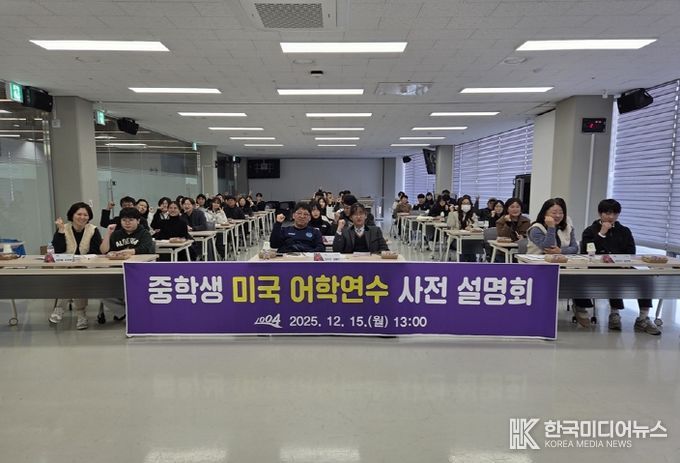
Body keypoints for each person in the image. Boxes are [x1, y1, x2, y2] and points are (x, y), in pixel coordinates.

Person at [572, 199, 660, 334]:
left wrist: (625, 263)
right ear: (600, 213)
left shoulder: (624, 231)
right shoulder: (590, 231)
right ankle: (615, 313)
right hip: (598, 269)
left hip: (622, 266)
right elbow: (587, 252)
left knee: (645, 279)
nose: (611, 217)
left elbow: (631, 251)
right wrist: (601, 233)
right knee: (614, 278)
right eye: (607, 213)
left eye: (615, 214)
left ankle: (643, 318)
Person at [49, 202, 103, 330]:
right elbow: (59, 250)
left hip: (86, 267)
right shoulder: (64, 228)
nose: (82, 217)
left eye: (85, 215)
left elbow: (96, 251)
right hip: (65, 267)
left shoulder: (93, 230)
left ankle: (60, 307)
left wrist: (81, 261)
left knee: (77, 275)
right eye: (79, 214)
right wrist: (61, 231)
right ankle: (81, 313)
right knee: (74, 277)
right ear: (72, 215)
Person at [100, 207, 154, 321]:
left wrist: (128, 251)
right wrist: (108, 233)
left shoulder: (144, 233)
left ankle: (133, 314)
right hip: (117, 269)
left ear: (138, 221)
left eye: (131, 220)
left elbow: (147, 248)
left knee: (132, 291)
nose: (127, 223)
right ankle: (124, 313)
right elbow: (104, 250)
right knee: (102, 291)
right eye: (124, 220)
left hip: (138, 270)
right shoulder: (116, 234)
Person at [447, 195, 480, 261]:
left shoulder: (472, 214)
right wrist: (451, 212)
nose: (466, 205)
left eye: (468, 203)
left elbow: (476, 224)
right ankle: (465, 263)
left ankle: (471, 264)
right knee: (465, 246)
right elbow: (450, 224)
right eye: (464, 203)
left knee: (471, 246)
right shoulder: (455, 214)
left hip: (469, 239)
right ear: (460, 205)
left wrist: (471, 226)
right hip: (456, 239)